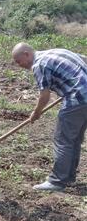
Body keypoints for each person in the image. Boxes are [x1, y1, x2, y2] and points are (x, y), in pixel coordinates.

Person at [12, 42, 87, 191]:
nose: (19, 65)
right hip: (82, 97)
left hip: (77, 99)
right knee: (74, 139)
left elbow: (44, 95)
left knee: (63, 140)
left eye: (19, 61)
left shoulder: (39, 64)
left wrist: (36, 112)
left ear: (27, 54)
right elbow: (84, 58)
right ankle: (69, 177)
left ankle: (57, 182)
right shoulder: (58, 51)